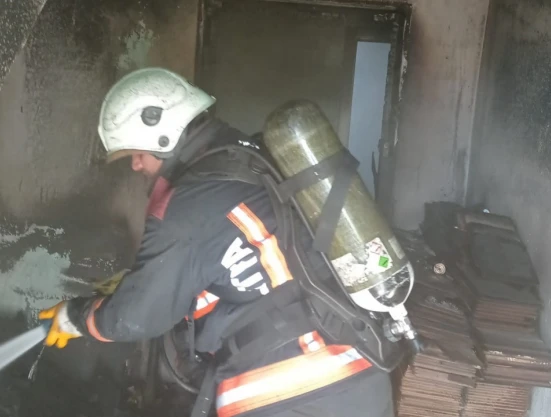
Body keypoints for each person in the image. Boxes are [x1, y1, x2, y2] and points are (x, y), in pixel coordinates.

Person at [39, 68, 395, 417]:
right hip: (357, 368)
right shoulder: (248, 158)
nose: (135, 165)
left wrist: (77, 317)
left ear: (164, 136)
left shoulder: (187, 205)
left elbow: (136, 317)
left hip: (291, 391)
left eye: (137, 153)